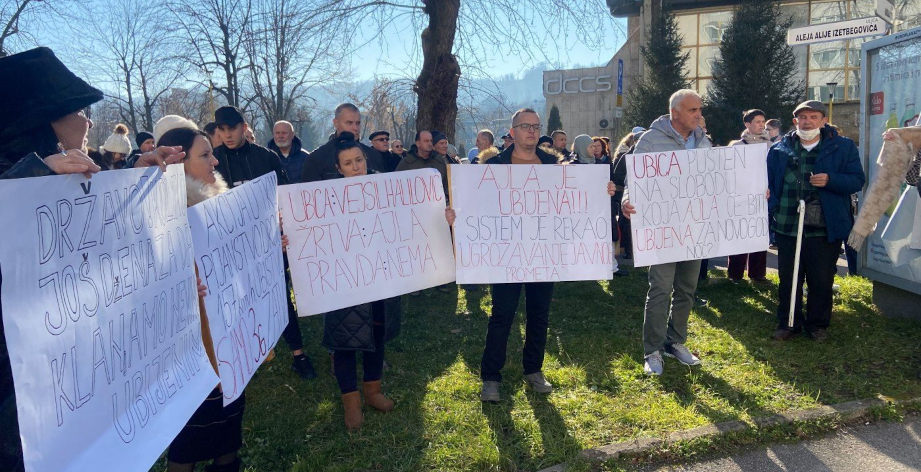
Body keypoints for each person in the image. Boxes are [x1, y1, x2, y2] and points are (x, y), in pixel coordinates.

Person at [0, 47, 184, 472]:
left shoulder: (62, 179)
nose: (88, 121)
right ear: (44, 121)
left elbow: (106, 255)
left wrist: (138, 175)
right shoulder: (31, 179)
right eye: (80, 111)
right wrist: (32, 178)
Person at [477, 108, 617, 402]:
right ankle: (490, 377)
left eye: (536, 126)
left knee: (539, 314)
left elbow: (573, 201)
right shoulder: (495, 166)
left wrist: (601, 191)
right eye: (525, 126)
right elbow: (478, 207)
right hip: (507, 254)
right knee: (502, 315)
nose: (531, 131)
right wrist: (457, 214)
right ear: (512, 132)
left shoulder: (554, 165)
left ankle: (533, 370)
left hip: (544, 252)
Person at [157, 126, 245, 472]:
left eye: (212, 153)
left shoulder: (221, 206)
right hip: (189, 350)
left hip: (228, 341)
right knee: (188, 437)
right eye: (205, 154)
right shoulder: (161, 216)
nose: (215, 161)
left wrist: (270, 243)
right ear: (179, 163)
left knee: (229, 426)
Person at [212, 105, 318, 379]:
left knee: (280, 296)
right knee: (238, 301)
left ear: (244, 127)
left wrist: (284, 228)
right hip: (231, 248)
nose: (228, 135)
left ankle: (298, 353)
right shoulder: (214, 160)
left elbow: (285, 198)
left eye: (232, 128)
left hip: (268, 244)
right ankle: (249, 353)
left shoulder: (266, 157)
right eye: (222, 130)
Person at [622, 89, 711, 376]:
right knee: (660, 289)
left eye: (699, 109)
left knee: (687, 288)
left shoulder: (704, 141)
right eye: (693, 110)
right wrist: (627, 199)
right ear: (675, 113)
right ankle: (653, 350)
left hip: (694, 228)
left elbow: (716, 180)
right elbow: (633, 178)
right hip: (662, 228)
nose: (698, 115)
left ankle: (676, 342)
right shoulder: (651, 139)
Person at [324, 132, 402, 431]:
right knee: (345, 341)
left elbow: (408, 220)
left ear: (365, 159)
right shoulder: (325, 198)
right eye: (348, 163)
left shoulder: (386, 188)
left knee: (376, 336)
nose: (355, 167)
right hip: (344, 281)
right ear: (338, 168)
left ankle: (373, 391)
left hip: (379, 278)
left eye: (358, 160)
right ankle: (351, 403)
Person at [769, 100, 865, 342]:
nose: (808, 122)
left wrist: (831, 180)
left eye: (813, 117)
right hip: (788, 224)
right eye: (803, 117)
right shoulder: (779, 149)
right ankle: (788, 323)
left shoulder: (842, 147)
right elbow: (768, 182)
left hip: (824, 225)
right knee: (789, 277)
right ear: (795, 121)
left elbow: (857, 180)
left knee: (821, 278)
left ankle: (817, 324)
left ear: (824, 121)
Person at [726, 109, 772, 284]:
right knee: (740, 235)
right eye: (757, 121)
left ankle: (757, 274)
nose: (761, 125)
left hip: (762, 199)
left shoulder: (771, 146)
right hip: (741, 198)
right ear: (747, 124)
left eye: (763, 121)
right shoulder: (737, 146)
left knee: (759, 235)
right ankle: (735, 274)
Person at [301, 103, 385, 182]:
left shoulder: (374, 156)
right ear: (336, 123)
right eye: (349, 123)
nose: (355, 128)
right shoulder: (317, 158)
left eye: (357, 123)